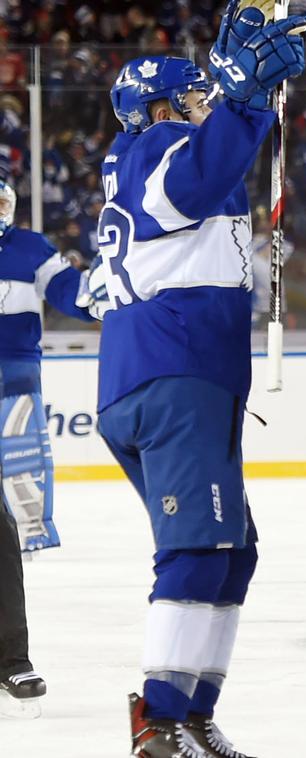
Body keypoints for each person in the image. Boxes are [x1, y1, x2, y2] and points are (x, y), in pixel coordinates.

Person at [93, 6, 306, 754]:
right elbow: (194, 176)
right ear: (157, 110)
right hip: (175, 376)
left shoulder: (153, 155)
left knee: (231, 551)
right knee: (191, 552)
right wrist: (248, 98)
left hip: (164, 377)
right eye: (194, 99)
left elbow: (206, 187)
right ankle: (157, 720)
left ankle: (190, 714)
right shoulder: (155, 147)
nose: (202, 109)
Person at [0, 175, 101, 716]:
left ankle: (11, 659)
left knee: (6, 523)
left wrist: (103, 292)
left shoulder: (30, 248)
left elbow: (72, 292)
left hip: (13, 388)